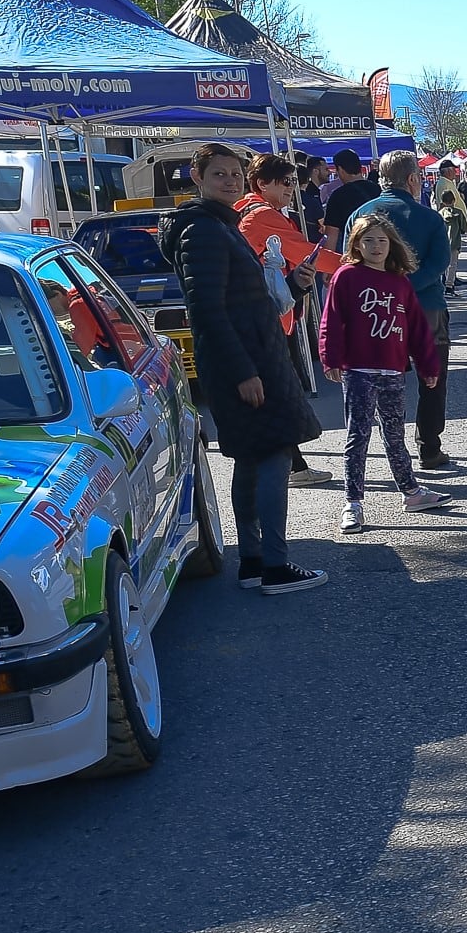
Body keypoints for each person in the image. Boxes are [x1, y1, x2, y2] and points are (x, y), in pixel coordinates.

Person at [160, 142, 326, 595]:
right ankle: (273, 564)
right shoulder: (203, 231)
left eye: (235, 173)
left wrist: (294, 284)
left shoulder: (221, 225)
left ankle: (255, 561)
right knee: (271, 455)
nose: (230, 181)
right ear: (197, 178)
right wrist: (243, 371)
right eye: (219, 174)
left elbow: (245, 300)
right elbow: (207, 310)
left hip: (255, 354)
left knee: (253, 458)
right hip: (246, 362)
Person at [320, 213, 452, 534]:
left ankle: (411, 492)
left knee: (395, 434)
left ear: (391, 244)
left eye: (381, 240)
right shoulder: (346, 276)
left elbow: (417, 330)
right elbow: (331, 320)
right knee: (358, 435)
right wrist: (330, 358)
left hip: (392, 370)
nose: (376, 246)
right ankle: (352, 503)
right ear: (357, 244)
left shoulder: (400, 282)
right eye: (368, 240)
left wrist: (428, 365)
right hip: (358, 370)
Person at [235, 154, 340, 487]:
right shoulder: (262, 215)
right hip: (269, 316)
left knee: (279, 392)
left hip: (267, 314)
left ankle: (294, 466)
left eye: (293, 182)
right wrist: (356, 263)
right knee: (281, 393)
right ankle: (289, 468)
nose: (292, 189)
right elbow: (306, 253)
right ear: (262, 183)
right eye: (285, 182)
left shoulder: (249, 211)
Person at [352, 151, 458, 470]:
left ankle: (394, 450)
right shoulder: (429, 217)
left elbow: (350, 263)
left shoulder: (359, 215)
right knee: (432, 379)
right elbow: (440, 263)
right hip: (427, 310)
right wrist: (406, 287)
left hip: (375, 313)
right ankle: (429, 447)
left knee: (386, 383)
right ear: (413, 179)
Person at [319, 149, 381, 252]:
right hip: (380, 249)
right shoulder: (378, 189)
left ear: (340, 170)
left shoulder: (338, 196)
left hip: (353, 252)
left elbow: (331, 238)